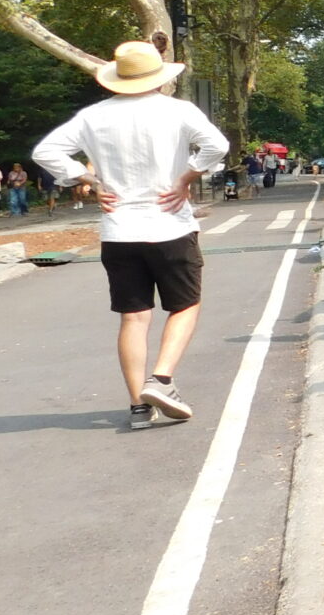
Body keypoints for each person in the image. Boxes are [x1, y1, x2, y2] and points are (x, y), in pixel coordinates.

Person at [33, 40, 229, 429]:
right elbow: (217, 146)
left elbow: (46, 151)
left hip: (119, 228)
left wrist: (88, 177)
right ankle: (163, 379)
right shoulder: (177, 111)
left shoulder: (93, 117)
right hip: (170, 222)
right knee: (185, 306)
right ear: (159, 76)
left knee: (133, 318)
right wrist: (187, 177)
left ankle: (139, 405)